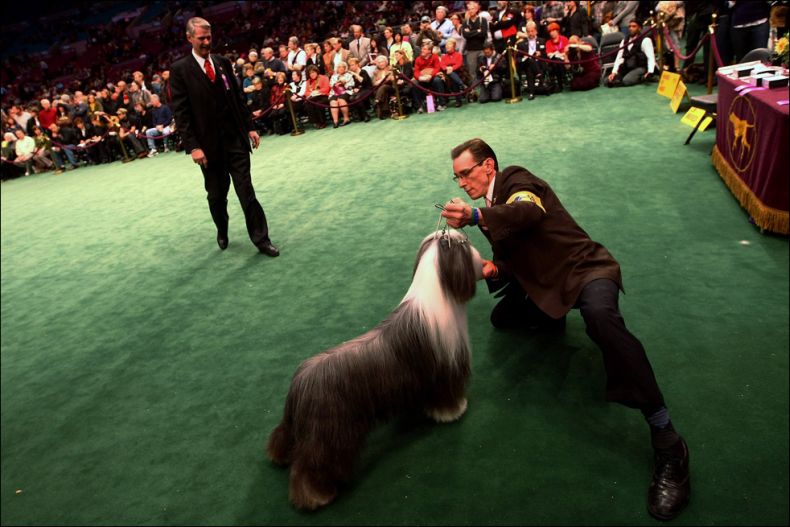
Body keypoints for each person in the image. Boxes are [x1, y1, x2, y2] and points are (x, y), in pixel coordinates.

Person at [440, 138, 691, 522]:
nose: (460, 183)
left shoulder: (517, 182)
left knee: (601, 320)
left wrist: (476, 218)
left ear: (488, 165)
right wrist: (490, 269)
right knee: (502, 318)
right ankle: (552, 313)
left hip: (586, 270)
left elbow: (527, 215)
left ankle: (668, 441)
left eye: (465, 174)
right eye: (456, 177)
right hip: (546, 282)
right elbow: (512, 260)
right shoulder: (491, 207)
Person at [170, 17, 279, 257]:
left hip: (235, 141)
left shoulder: (221, 62)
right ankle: (222, 228)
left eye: (209, 37)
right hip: (208, 150)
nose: (207, 42)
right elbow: (182, 113)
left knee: (246, 192)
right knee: (217, 197)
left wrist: (250, 127)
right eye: (201, 38)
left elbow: (237, 98)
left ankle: (262, 240)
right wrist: (193, 147)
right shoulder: (179, 70)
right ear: (189, 38)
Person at [607, 18, 655, 87]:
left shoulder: (645, 40)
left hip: (640, 67)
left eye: (634, 26)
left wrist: (650, 72)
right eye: (629, 26)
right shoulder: (624, 41)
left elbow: (651, 57)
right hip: (627, 66)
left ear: (639, 28)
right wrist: (614, 72)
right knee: (608, 80)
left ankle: (647, 78)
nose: (631, 28)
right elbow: (619, 57)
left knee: (626, 81)